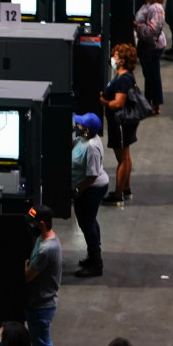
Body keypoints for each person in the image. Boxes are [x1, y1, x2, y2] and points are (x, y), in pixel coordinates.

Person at [24, 205, 61, 346]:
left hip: (41, 305)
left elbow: (27, 275)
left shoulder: (47, 249)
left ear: (43, 224)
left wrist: (25, 264)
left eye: (34, 223)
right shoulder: (44, 238)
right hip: (40, 302)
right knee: (45, 345)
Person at [99, 43, 140, 205]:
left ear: (122, 60)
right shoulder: (124, 76)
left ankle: (117, 195)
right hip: (125, 123)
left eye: (115, 56)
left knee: (121, 158)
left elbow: (118, 103)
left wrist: (103, 102)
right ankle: (126, 188)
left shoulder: (124, 80)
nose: (112, 59)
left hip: (120, 123)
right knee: (126, 155)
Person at [71, 113, 109, 278]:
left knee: (87, 223)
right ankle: (93, 254)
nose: (77, 126)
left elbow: (92, 176)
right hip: (86, 188)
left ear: (86, 129)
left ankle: (96, 264)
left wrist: (78, 191)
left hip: (92, 189)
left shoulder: (92, 148)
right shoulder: (84, 139)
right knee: (89, 221)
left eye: (79, 125)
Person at [133, 0, 167, 113]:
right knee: (148, 75)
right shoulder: (148, 5)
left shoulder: (156, 9)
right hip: (146, 44)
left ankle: (156, 104)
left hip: (154, 46)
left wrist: (137, 25)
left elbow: (152, 30)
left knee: (153, 75)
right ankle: (147, 101)